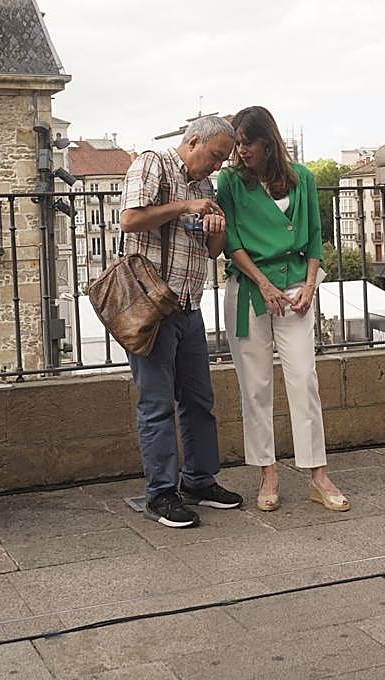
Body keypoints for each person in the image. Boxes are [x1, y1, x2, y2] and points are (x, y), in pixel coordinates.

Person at [216, 106, 349, 513]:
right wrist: (264, 284)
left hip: (295, 291)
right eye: (236, 144)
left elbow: (314, 237)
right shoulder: (230, 181)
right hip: (251, 289)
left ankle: (317, 474)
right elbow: (231, 242)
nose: (240, 151)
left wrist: (309, 286)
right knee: (255, 386)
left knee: (303, 378)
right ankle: (267, 472)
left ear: (266, 142)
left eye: (245, 143)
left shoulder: (303, 178)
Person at [118, 115, 244, 528]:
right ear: (192, 142)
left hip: (189, 305)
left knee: (199, 402)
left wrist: (216, 227)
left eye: (224, 159)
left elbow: (211, 252)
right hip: (152, 307)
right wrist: (185, 206)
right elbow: (131, 219)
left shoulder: (205, 186)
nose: (219, 166)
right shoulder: (154, 162)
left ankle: (199, 481)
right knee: (156, 405)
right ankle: (161, 494)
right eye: (216, 155)